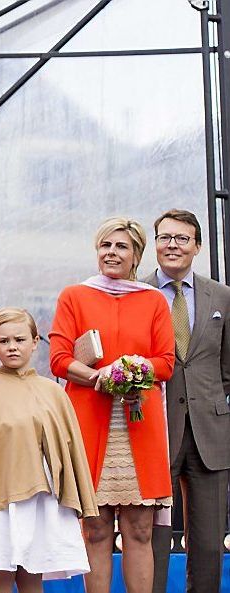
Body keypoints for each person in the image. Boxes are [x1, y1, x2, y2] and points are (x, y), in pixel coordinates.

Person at [49, 217, 175, 593]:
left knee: (139, 529)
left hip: (141, 424)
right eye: (105, 245)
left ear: (136, 254)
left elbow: (165, 362)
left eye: (121, 247)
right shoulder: (74, 295)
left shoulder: (152, 300)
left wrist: (133, 369)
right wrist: (98, 378)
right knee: (96, 528)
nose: (111, 253)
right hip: (89, 421)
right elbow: (59, 358)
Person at [0, 307, 97, 592]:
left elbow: (69, 449)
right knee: (0, 573)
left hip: (41, 499)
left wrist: (74, 491)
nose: (12, 347)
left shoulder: (53, 392)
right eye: (4, 341)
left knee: (32, 573)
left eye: (19, 339)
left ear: (35, 341)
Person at [144, 210, 230, 593]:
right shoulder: (137, 293)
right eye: (165, 237)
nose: (172, 245)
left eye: (181, 238)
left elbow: (226, 366)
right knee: (151, 536)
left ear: (197, 246)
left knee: (210, 542)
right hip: (154, 429)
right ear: (155, 244)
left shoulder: (222, 296)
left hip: (210, 432)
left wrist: (209, 400)